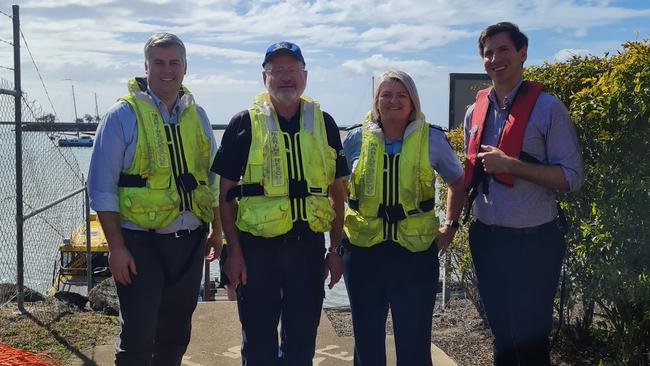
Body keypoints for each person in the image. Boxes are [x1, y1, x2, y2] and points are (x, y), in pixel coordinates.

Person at [88, 32, 222, 365]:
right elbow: (101, 189)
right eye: (158, 63)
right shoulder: (121, 116)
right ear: (146, 66)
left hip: (189, 241)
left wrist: (216, 232)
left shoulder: (199, 116)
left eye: (174, 62)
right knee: (138, 336)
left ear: (185, 67)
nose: (167, 70)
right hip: (139, 243)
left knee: (176, 334)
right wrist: (116, 248)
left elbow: (214, 179)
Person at [212, 41, 348, 366]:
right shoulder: (242, 123)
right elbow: (225, 194)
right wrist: (234, 252)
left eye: (292, 70)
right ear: (264, 78)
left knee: (302, 343)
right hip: (257, 251)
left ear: (305, 75)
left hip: (307, 251)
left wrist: (335, 249)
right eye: (277, 71)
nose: (286, 77)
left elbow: (337, 193)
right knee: (258, 343)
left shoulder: (325, 123)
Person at [463, 22, 584, 365]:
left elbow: (572, 177)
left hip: (534, 243)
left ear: (522, 53)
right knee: (501, 339)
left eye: (503, 50)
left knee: (530, 345)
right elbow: (469, 175)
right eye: (488, 53)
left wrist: (512, 166)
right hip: (487, 240)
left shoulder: (548, 109)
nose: (495, 58)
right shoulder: (475, 112)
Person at [342, 70, 465, 366]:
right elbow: (338, 188)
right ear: (376, 101)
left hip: (415, 253)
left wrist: (450, 225)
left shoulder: (432, 139)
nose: (393, 101)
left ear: (413, 101)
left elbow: (458, 182)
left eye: (401, 95)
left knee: (414, 343)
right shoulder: (355, 139)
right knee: (367, 340)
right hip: (363, 252)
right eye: (386, 94)